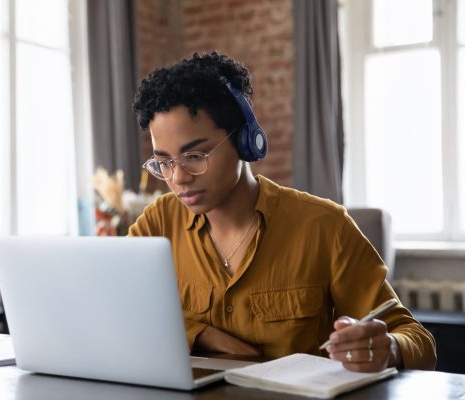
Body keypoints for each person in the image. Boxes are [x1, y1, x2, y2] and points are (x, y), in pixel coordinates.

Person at [127, 51, 436, 372]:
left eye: (195, 155)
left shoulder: (324, 226)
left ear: (247, 141)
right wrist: (200, 334)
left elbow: (417, 340)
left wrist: (387, 348)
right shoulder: (157, 223)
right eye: (164, 162)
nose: (178, 178)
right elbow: (118, 308)